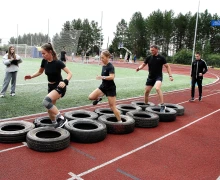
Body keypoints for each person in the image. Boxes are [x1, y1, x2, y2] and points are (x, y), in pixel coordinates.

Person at [24, 43, 72, 128]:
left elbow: (69, 73)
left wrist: (65, 81)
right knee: (49, 110)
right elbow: (40, 72)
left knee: (45, 102)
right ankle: (55, 124)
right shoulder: (44, 61)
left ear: (50, 52)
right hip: (50, 87)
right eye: (41, 53)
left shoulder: (58, 63)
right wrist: (31, 76)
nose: (42, 55)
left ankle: (61, 118)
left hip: (59, 86)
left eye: (44, 53)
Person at [136, 45, 173, 112]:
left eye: (153, 50)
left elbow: (167, 66)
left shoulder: (161, 58)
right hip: (150, 77)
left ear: (157, 50)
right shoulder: (149, 57)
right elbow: (143, 64)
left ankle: (162, 106)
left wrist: (170, 76)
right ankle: (146, 105)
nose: (151, 51)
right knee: (146, 92)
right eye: (151, 50)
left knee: (157, 88)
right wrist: (139, 68)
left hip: (158, 77)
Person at [88, 50, 122, 122]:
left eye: (102, 58)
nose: (101, 59)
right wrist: (102, 77)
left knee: (112, 107)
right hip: (103, 86)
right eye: (101, 58)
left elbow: (112, 77)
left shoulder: (110, 66)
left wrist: (102, 77)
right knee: (91, 97)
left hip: (110, 88)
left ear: (107, 57)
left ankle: (120, 122)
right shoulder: (104, 66)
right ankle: (98, 98)